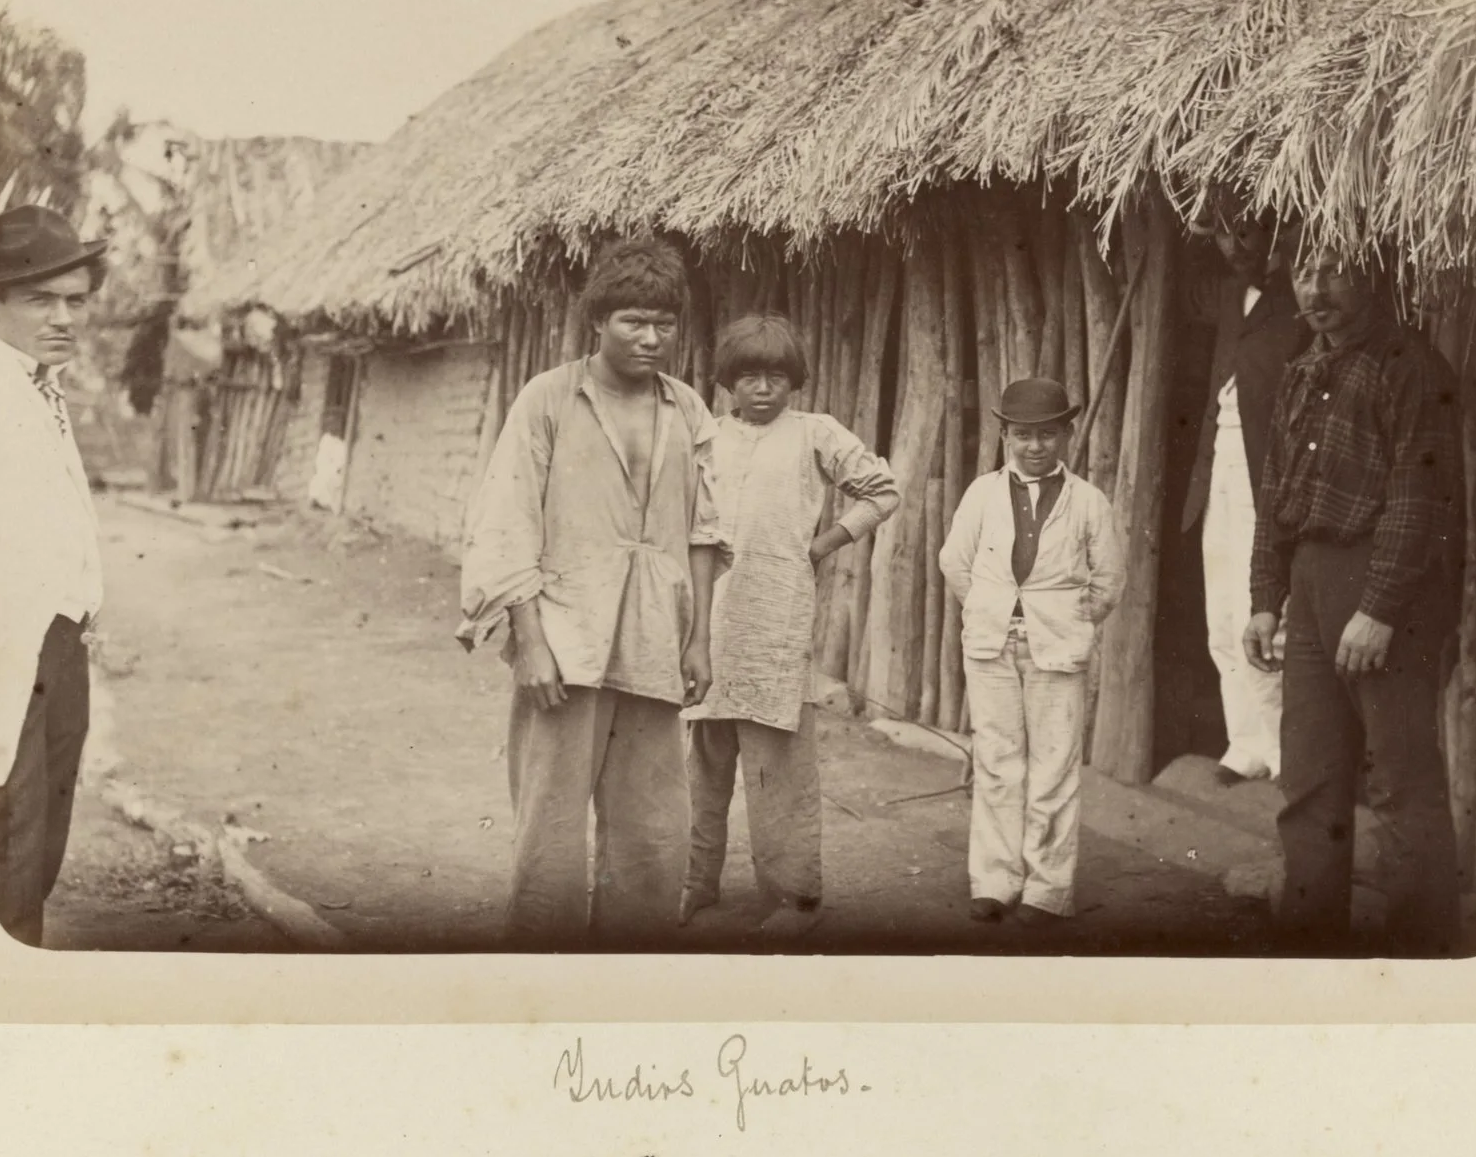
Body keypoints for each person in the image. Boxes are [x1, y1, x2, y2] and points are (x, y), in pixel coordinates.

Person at [459, 236, 728, 948]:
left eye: (664, 323)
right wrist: (530, 640)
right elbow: (507, 518)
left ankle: (628, 980)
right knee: (548, 831)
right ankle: (542, 987)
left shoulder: (688, 408)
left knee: (651, 833)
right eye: (633, 321)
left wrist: (698, 638)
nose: (650, 338)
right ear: (597, 321)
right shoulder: (548, 399)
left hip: (653, 639)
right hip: (566, 642)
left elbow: (704, 530)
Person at [1244, 242, 1465, 953]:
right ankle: (1310, 939)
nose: (1317, 288)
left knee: (1400, 778)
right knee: (1310, 772)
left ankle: (1422, 950)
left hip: (1381, 586)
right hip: (1310, 582)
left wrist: (1381, 609)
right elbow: (1274, 490)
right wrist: (1265, 596)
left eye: (1335, 270)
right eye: (1306, 271)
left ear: (1372, 272)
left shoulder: (1410, 366)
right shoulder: (1305, 366)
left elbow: (1417, 496)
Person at [680, 314, 899, 940]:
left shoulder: (815, 434)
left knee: (778, 763)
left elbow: (881, 491)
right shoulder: (706, 436)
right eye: (749, 376)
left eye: (776, 377)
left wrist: (825, 542)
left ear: (794, 382)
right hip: (708, 619)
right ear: (727, 382)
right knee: (704, 760)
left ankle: (795, 894)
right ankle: (696, 881)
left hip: (774, 617)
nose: (763, 390)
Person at [938, 377, 1123, 928]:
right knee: (997, 763)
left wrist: (1065, 618)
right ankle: (995, 880)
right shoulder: (982, 494)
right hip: (992, 644)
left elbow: (1108, 581)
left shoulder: (1088, 502)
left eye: (1046, 434)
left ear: (1065, 435)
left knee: (1054, 769)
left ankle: (1048, 888)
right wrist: (991, 608)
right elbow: (954, 561)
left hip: (1057, 649)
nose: (1034, 446)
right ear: (1005, 436)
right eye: (1023, 435)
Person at [0, 204, 109, 947]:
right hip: (5, 644)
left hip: (60, 643)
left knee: (45, 832)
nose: (63, 316)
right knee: (11, 834)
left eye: (75, 300)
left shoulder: (40, 386)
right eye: (40, 299)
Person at [1176, 191, 1309, 783]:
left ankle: (1284, 748)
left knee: (1263, 610)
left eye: (1249, 233)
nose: (1238, 247)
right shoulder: (1229, 294)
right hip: (1219, 466)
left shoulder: (1298, 303)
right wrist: (1201, 230)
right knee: (1220, 608)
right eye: (1227, 236)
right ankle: (1245, 742)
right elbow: (1188, 285)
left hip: (1267, 470)